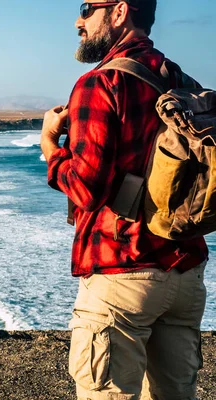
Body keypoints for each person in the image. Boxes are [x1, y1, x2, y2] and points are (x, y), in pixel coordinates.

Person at [40, 1, 209, 399]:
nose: (78, 21)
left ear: (118, 12)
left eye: (87, 8)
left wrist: (50, 146)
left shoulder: (98, 84)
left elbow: (86, 188)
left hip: (123, 269)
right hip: (185, 273)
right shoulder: (182, 81)